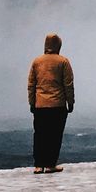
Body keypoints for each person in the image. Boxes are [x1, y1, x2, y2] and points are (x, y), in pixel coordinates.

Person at [27, 32, 75, 174]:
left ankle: (38, 165)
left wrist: (32, 102)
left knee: (40, 134)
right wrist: (70, 102)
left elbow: (31, 84)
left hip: (40, 105)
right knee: (54, 136)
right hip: (57, 105)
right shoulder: (63, 62)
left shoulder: (37, 62)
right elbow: (68, 84)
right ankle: (50, 164)